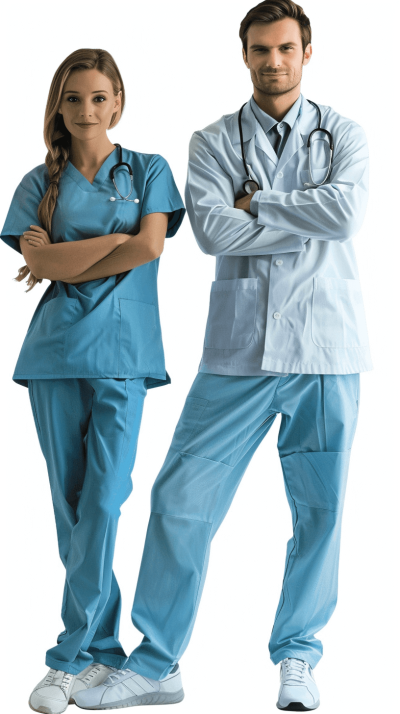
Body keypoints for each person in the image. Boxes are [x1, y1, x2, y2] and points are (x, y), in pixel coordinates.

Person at [73, 1, 372, 711]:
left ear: (307, 52)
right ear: (244, 55)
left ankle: (298, 657)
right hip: (238, 352)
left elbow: (348, 215)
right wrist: (300, 216)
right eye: (261, 50)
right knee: (180, 500)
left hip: (326, 350)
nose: (274, 61)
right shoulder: (211, 141)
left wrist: (259, 206)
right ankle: (157, 661)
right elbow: (210, 232)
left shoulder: (345, 135)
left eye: (286, 48)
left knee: (319, 512)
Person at [0, 48, 185, 714]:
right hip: (53, 355)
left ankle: (67, 658)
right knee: (71, 510)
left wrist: (64, 259)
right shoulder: (35, 184)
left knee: (104, 501)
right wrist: (108, 246)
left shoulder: (148, 170)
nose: (86, 110)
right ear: (59, 105)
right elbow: (55, 259)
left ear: (118, 101)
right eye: (74, 98)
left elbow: (150, 248)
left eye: (99, 97)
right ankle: (102, 653)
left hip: (125, 353)